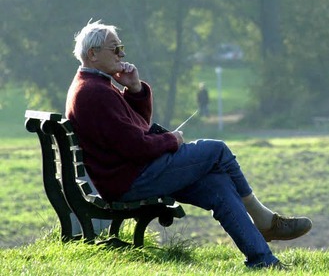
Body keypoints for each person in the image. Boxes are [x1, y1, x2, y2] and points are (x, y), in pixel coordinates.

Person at [65, 20, 312, 269]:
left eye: (121, 47)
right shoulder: (95, 92)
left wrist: (136, 88)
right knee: (217, 149)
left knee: (218, 184)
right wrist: (172, 139)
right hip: (132, 179)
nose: (122, 54)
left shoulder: (96, 86)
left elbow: (136, 128)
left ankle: (263, 260)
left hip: (132, 174)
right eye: (115, 49)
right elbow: (136, 146)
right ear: (92, 54)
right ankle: (263, 218)